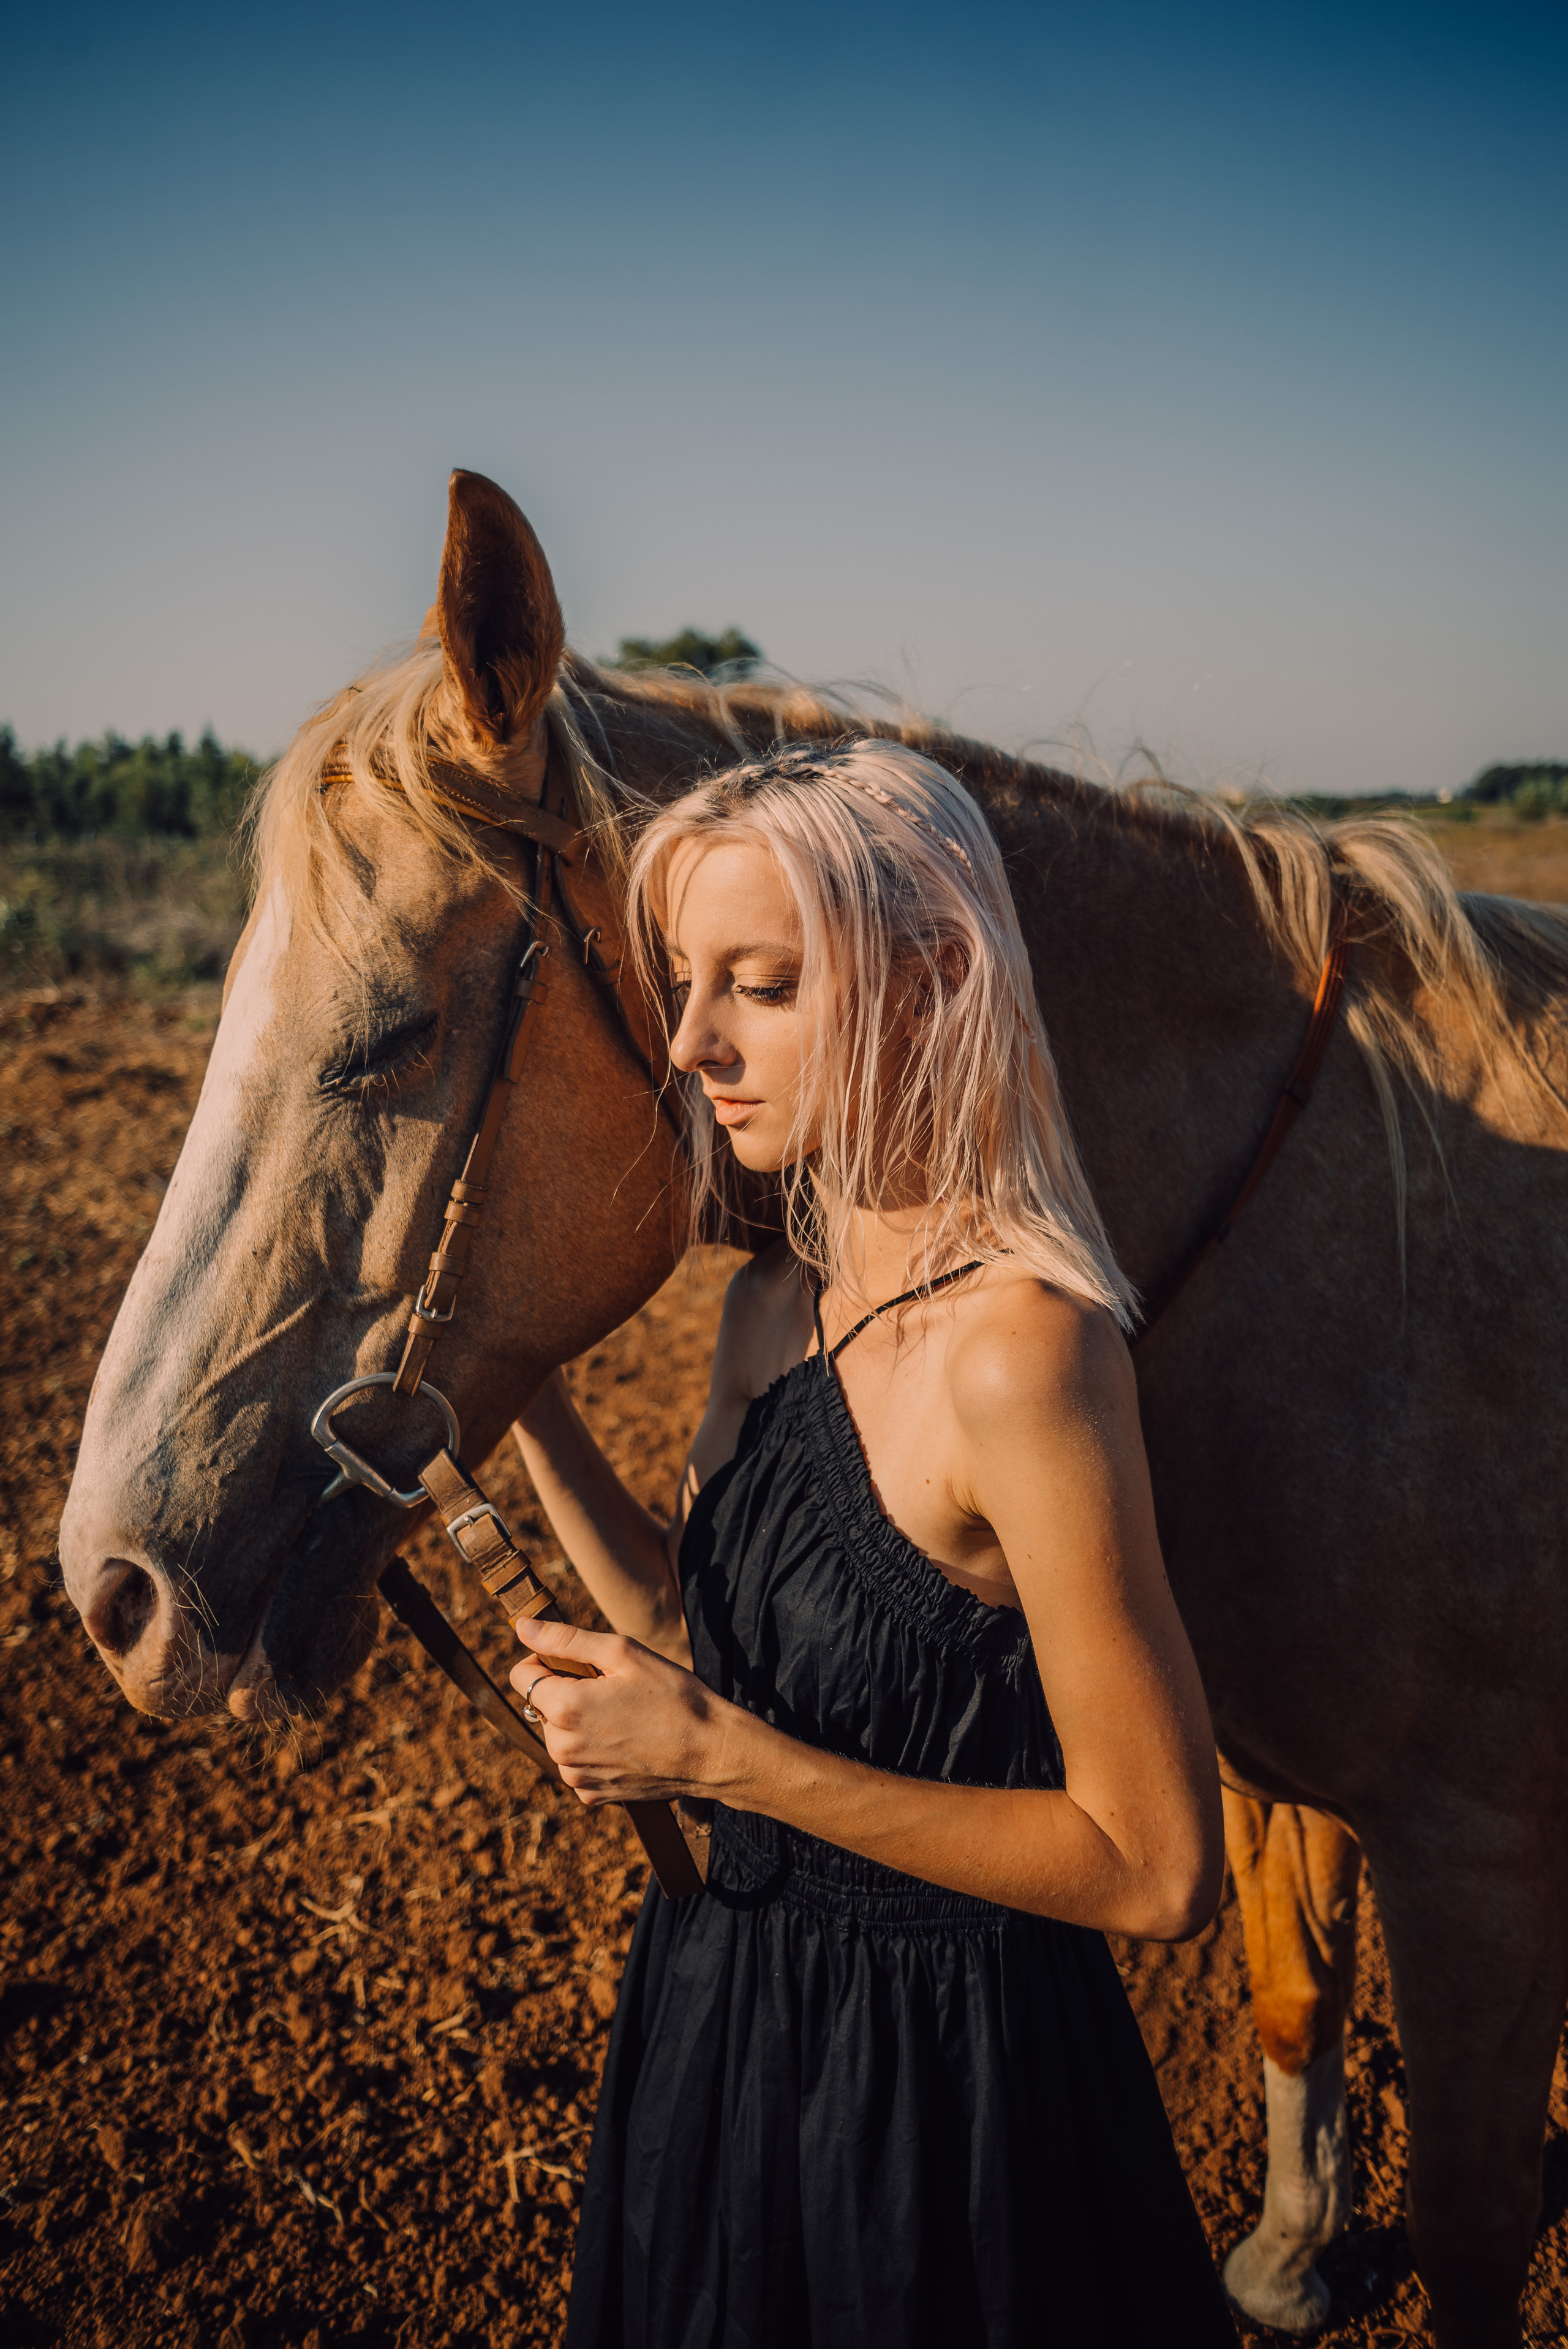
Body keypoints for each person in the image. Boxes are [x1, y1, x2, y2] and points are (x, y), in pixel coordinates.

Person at [508, 740, 1238, 2348]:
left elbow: (1160, 1863)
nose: (693, 1039)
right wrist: (520, 1409)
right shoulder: (776, 1303)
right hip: (722, 2015)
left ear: (936, 978)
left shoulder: (1027, 1357)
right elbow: (702, 1636)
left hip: (943, 2090)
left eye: (759, 985)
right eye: (686, 981)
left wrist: (717, 1755)